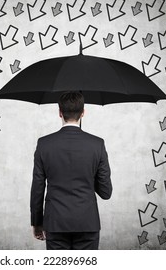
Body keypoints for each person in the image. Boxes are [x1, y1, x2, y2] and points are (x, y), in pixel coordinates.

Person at [30, 91, 112, 250]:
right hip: (87, 222)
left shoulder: (44, 144)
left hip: (55, 223)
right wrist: (89, 174)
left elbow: (37, 189)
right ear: (83, 113)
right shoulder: (97, 144)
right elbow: (106, 192)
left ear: (59, 112)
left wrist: (37, 222)